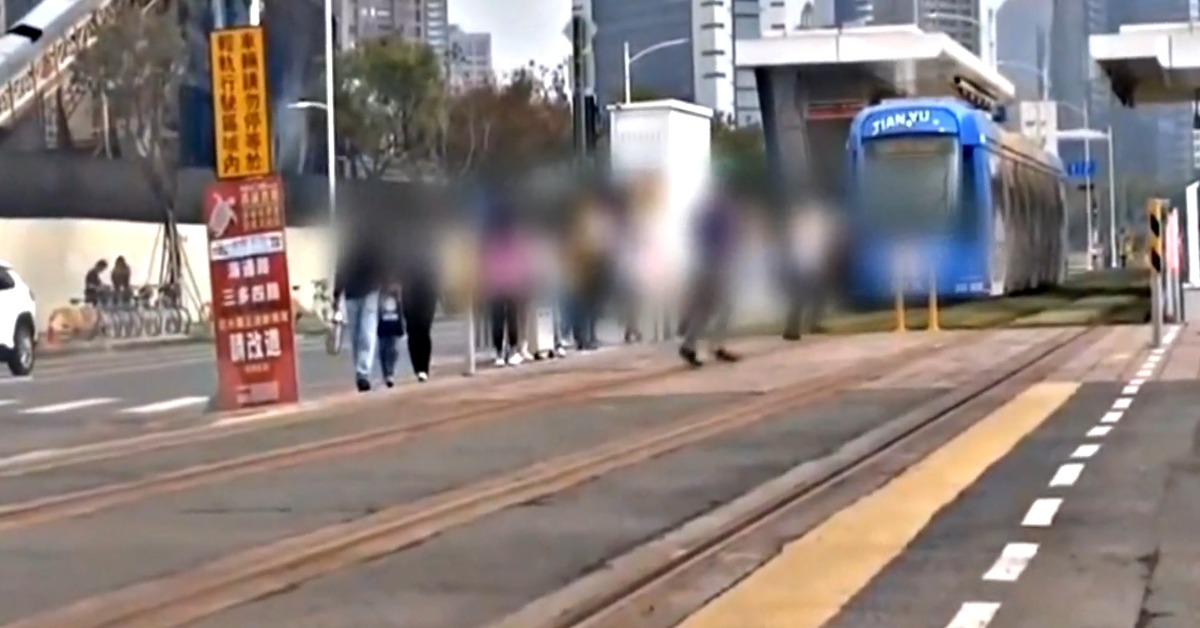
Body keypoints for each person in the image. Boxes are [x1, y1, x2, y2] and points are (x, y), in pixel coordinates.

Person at [679, 179, 742, 367]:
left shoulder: (704, 210)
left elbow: (694, 235)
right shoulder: (724, 211)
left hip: (703, 263)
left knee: (704, 308)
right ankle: (716, 346)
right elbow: (729, 238)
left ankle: (689, 344)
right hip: (718, 264)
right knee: (725, 307)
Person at [332, 221, 386, 392]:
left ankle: (363, 372)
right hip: (352, 292)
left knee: (366, 332)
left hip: (370, 291)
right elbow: (340, 268)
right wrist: (337, 292)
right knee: (356, 335)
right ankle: (361, 372)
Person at [781, 198, 838, 341]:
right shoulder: (801, 224)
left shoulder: (815, 223)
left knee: (817, 296)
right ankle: (792, 328)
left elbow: (823, 244)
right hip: (803, 264)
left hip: (815, 263)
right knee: (800, 298)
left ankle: (812, 323)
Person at [401, 254, 438, 381]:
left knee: (424, 328)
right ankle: (417, 368)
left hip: (428, 287)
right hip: (409, 288)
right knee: (412, 329)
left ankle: (424, 368)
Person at [376, 282, 404, 387]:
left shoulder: (397, 292)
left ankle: (389, 373)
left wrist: (401, 325)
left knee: (392, 348)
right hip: (381, 321)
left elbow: (400, 308)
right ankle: (386, 373)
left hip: (393, 321)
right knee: (383, 348)